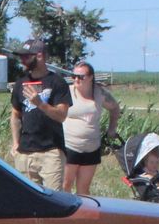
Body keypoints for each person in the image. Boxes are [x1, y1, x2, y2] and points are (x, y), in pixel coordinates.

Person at [8, 37, 71, 188]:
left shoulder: (57, 82)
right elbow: (15, 115)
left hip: (51, 152)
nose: (22, 60)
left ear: (40, 56)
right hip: (25, 153)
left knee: (54, 200)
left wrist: (40, 104)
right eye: (21, 57)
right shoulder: (20, 83)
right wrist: (16, 143)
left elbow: (61, 115)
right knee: (27, 202)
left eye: (26, 56)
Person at [57, 62, 118, 195]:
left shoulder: (100, 93)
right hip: (69, 146)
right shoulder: (66, 92)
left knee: (84, 189)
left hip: (92, 147)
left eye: (81, 76)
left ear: (90, 77)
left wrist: (112, 128)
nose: (76, 79)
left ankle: (83, 215)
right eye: (74, 76)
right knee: (65, 185)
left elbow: (114, 108)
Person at [120, 132, 159, 206]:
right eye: (152, 162)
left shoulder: (156, 172)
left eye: (157, 162)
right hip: (155, 190)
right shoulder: (144, 172)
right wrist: (153, 177)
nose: (155, 165)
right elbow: (147, 178)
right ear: (145, 163)